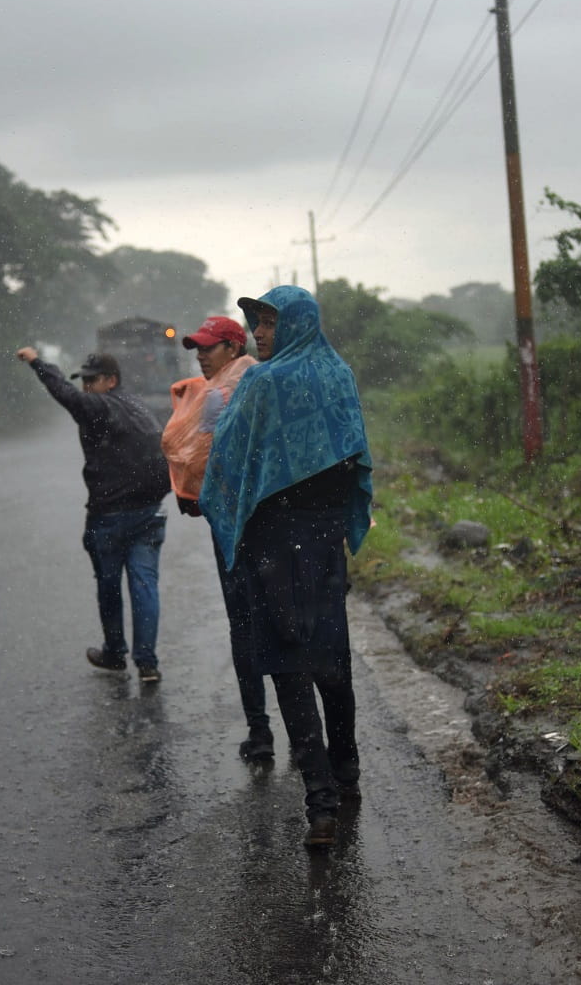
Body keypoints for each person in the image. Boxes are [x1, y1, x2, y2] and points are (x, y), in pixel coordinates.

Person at [199, 286, 373, 849]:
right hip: (321, 545)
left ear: (295, 322)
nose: (260, 333)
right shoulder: (339, 375)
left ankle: (323, 796)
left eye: (269, 322)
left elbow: (227, 460)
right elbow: (355, 456)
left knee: (291, 667)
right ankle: (339, 777)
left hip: (276, 545)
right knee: (327, 662)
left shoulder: (261, 385)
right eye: (256, 323)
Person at [16, 347, 172, 683]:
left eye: (92, 380)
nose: (86, 387)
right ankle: (147, 663)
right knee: (145, 585)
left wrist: (37, 362)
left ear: (110, 380)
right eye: (84, 380)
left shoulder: (101, 407)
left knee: (109, 585)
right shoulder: (139, 406)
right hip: (148, 509)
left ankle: (115, 652)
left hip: (111, 515)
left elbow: (65, 395)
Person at [157, 315, 268, 760]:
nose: (200, 355)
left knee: (244, 627)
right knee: (277, 627)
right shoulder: (262, 381)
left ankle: (260, 734)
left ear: (233, 348)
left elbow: (203, 461)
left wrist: (192, 494)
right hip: (268, 523)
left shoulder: (217, 396)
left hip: (236, 530)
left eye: (209, 347)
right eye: (198, 348)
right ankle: (301, 737)